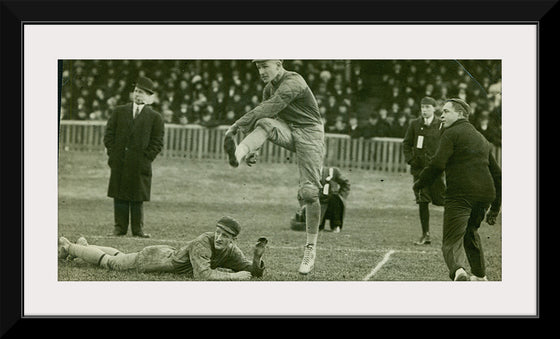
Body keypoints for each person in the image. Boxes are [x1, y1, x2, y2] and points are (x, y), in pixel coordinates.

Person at [223, 59, 324, 275]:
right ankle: (238, 153)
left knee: (309, 192)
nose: (261, 71)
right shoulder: (268, 88)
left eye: (265, 65)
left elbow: (271, 106)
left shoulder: (294, 81)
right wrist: (253, 151)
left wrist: (235, 126)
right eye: (258, 67)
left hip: (310, 133)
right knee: (265, 123)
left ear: (279, 64)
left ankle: (310, 247)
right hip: (288, 129)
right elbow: (268, 118)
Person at [413, 98, 501, 281]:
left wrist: (419, 183)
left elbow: (437, 164)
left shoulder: (450, 133)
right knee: (470, 232)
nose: (442, 115)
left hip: (460, 194)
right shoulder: (481, 138)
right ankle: (480, 276)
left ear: (460, 114)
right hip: (484, 195)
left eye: (446, 112)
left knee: (451, 240)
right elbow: (498, 174)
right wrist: (494, 207)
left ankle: (459, 272)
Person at [58, 216, 268, 281]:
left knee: (119, 255)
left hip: (163, 253)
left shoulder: (231, 251)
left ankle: (84, 246)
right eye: (219, 233)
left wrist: (256, 258)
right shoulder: (203, 241)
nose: (221, 238)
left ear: (234, 240)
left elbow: (252, 271)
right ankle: (70, 247)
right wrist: (235, 277)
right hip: (152, 259)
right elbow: (203, 275)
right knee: (111, 262)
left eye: (226, 236)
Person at [103, 76, 165, 238]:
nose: (138, 95)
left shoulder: (155, 117)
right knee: (120, 195)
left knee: (137, 197)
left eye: (142, 93)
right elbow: (109, 135)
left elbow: (157, 142)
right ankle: (119, 228)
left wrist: (146, 158)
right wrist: (114, 155)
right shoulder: (119, 111)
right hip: (120, 161)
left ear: (148, 97)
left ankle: (138, 230)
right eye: (136, 91)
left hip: (140, 163)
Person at [402, 97, 446, 245]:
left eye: (428, 107)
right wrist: (411, 160)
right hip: (419, 171)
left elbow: (447, 145)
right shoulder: (415, 124)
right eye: (422, 107)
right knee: (422, 200)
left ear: (434, 108)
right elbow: (407, 144)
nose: (424, 110)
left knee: (442, 200)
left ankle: (453, 233)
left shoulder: (441, 125)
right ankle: (425, 234)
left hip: (436, 171)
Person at [290, 166, 351, 233]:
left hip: (331, 204)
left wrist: (341, 196)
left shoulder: (333, 171)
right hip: (317, 203)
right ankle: (318, 225)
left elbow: (346, 184)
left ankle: (336, 225)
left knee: (335, 199)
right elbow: (302, 191)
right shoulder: (308, 173)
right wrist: (303, 205)